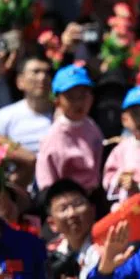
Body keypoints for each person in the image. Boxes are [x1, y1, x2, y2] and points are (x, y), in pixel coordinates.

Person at [41, 178, 113, 279]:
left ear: (92, 210)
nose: (72, 214)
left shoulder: (109, 249)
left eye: (78, 204)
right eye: (63, 209)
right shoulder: (48, 253)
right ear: (52, 224)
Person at [35, 64, 104, 194]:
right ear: (57, 101)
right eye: (71, 97)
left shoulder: (91, 126)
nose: (79, 103)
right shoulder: (53, 136)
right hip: (66, 197)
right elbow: (46, 180)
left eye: (83, 95)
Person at [0, 55, 54, 154]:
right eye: (35, 72)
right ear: (20, 81)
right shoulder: (4, 116)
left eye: (47, 73)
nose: (43, 77)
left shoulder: (65, 115)